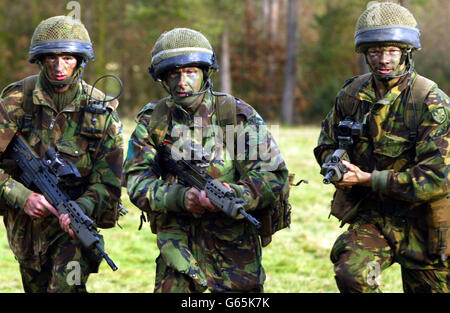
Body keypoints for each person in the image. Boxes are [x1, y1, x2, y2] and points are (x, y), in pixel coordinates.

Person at [123, 28, 289, 292]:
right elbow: (135, 180)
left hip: (234, 247)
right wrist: (181, 198)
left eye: (190, 72)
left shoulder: (234, 116)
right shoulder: (154, 121)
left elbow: (273, 176)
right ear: (163, 79)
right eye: (173, 74)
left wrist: (234, 193)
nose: (181, 82)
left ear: (205, 73)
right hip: (177, 246)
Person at [314, 1, 449, 293]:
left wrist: (366, 179)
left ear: (406, 52)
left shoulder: (431, 102)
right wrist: (336, 167)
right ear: (364, 53)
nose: (383, 59)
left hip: (425, 224)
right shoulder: (352, 95)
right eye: (375, 51)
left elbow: (436, 179)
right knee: (353, 274)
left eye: (391, 51)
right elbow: (326, 143)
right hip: (374, 220)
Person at [0, 16, 123, 292]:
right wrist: (21, 195)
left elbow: (109, 184)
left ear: (80, 60)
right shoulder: (16, 102)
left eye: (67, 57)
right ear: (40, 59)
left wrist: (84, 208)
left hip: (73, 231)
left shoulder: (101, 111)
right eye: (51, 58)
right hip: (26, 233)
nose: (59, 66)